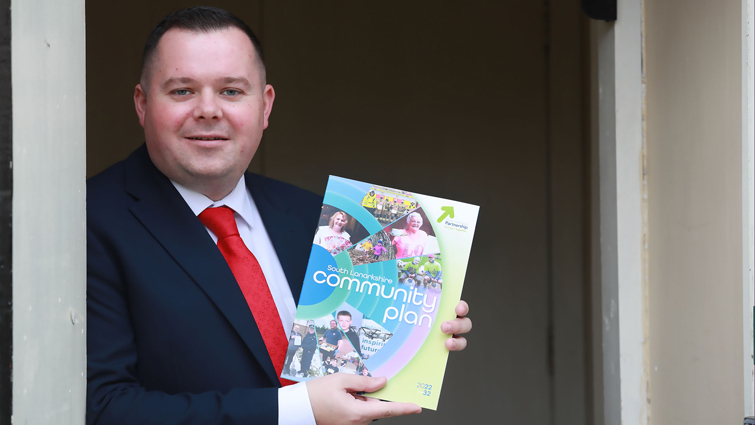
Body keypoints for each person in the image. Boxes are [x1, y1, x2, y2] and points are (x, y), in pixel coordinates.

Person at [87, 6, 471, 425]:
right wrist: (297, 411)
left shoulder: (314, 216)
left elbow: (344, 367)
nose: (209, 110)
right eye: (182, 91)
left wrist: (414, 328)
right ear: (143, 104)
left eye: (232, 91)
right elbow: (102, 409)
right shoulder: (89, 221)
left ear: (265, 106)